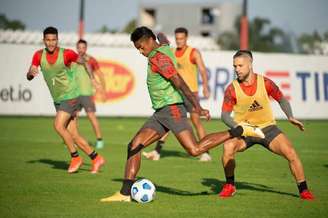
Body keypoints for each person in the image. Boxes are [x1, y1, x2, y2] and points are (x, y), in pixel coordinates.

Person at [100, 27, 264, 202]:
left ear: (149, 41)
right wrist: (160, 35)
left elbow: (179, 81)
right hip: (161, 113)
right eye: (137, 49)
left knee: (194, 149)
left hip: (172, 110)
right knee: (134, 146)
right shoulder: (163, 45)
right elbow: (162, 37)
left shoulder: (159, 58)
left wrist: (197, 106)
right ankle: (125, 193)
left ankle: (239, 131)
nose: (140, 52)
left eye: (141, 47)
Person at [219, 50, 314, 200]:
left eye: (240, 65)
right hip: (246, 131)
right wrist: (240, 128)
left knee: (291, 153)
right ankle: (230, 185)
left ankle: (304, 190)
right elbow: (224, 115)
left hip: (268, 128)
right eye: (234, 66)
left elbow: (282, 99)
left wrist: (290, 116)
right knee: (228, 147)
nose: (236, 69)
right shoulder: (232, 89)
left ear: (250, 64)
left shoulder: (266, 83)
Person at [26, 26, 105, 174]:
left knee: (57, 125)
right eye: (48, 40)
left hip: (70, 96)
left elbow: (84, 62)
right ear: (43, 40)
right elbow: (30, 75)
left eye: (53, 40)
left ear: (57, 40)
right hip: (58, 99)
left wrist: (93, 79)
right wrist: (30, 73)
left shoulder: (67, 53)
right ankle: (96, 158)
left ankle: (75, 158)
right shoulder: (38, 55)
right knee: (73, 135)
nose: (51, 43)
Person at [143, 27, 212, 162]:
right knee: (168, 122)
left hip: (190, 92)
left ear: (186, 38)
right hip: (175, 93)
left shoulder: (193, 52)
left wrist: (205, 86)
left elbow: (203, 70)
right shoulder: (171, 52)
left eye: (181, 38)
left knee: (196, 122)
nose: (179, 41)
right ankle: (157, 152)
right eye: (177, 38)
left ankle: (206, 153)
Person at [75, 39, 106, 149]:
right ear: (76, 48)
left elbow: (100, 75)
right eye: (79, 47)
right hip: (74, 94)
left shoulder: (91, 60)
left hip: (86, 94)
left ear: (86, 48)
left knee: (92, 117)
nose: (81, 50)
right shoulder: (72, 60)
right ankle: (74, 139)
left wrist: (103, 90)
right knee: (73, 119)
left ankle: (99, 140)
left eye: (83, 47)